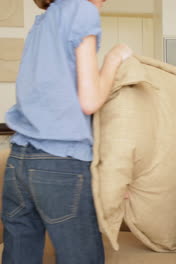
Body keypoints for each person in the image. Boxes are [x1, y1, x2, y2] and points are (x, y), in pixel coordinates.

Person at [2, 0, 132, 263]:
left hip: (19, 161)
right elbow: (90, 101)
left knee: (20, 254)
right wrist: (114, 58)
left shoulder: (43, 22)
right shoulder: (82, 10)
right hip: (59, 164)